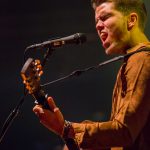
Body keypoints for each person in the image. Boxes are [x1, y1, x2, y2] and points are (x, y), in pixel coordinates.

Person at [32, 0, 150, 149]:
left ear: (131, 20)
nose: (98, 26)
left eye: (105, 17)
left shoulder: (142, 60)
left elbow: (124, 133)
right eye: (97, 21)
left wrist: (67, 129)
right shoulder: (131, 62)